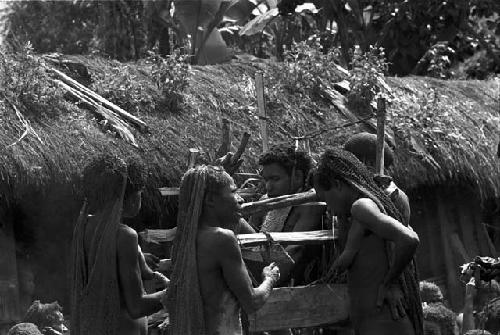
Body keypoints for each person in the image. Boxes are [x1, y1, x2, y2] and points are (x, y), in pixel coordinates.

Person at [313, 148, 423, 335]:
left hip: (386, 323)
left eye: (325, 199)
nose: (328, 208)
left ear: (338, 185)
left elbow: (409, 239)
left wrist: (390, 282)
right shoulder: (357, 216)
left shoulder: (361, 207)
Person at [166, 165, 280, 335]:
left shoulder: (183, 241)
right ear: (211, 200)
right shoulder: (222, 239)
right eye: (233, 192)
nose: (240, 199)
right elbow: (252, 301)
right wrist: (269, 279)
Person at [71, 155, 168, 335]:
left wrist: (138, 257)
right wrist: (172, 293)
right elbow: (136, 307)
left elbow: (104, 264)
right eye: (140, 192)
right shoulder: (125, 236)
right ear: (127, 197)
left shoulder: (83, 226)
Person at [249, 144, 325, 284]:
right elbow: (250, 242)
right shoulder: (264, 202)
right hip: (257, 270)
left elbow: (295, 251)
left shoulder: (309, 206)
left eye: (275, 179)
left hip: (280, 277)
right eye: (266, 180)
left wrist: (268, 283)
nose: (268, 186)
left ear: (297, 176)